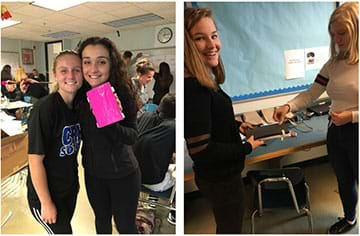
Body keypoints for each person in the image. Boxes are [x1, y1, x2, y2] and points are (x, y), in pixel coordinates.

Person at [273, 3, 358, 234]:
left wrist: (351, 116)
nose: (338, 39)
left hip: (356, 130)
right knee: (344, 180)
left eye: (343, 33)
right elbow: (312, 93)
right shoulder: (333, 64)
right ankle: (350, 219)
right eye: (334, 34)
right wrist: (288, 106)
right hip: (336, 131)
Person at [184, 7, 264, 234]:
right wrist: (246, 147)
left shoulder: (204, 77)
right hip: (220, 180)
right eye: (200, 38)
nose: (212, 45)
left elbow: (211, 119)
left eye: (214, 35)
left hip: (223, 176)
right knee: (230, 228)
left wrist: (236, 125)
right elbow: (202, 150)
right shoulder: (194, 88)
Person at [77, 37, 141, 234]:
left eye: (101, 61)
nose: (93, 68)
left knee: (125, 227)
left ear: (111, 64)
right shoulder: (79, 94)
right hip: (93, 173)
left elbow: (131, 137)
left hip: (123, 174)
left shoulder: (122, 92)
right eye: (87, 61)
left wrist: (110, 121)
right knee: (101, 221)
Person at [26, 50, 83, 234]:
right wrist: (46, 202)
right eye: (64, 70)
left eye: (76, 69)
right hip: (47, 196)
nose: (71, 75)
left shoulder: (79, 107)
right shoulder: (45, 109)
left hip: (68, 189)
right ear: (55, 75)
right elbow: (35, 161)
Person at [133, 93, 176, 192]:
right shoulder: (173, 128)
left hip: (131, 174)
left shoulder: (145, 115)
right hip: (152, 182)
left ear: (159, 108)